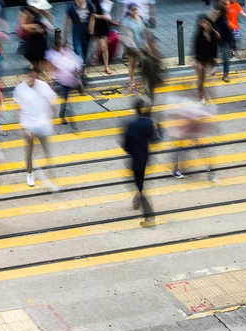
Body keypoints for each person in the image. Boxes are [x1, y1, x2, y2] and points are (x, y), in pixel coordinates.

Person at [13, 69, 59, 188]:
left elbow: (53, 102)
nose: (31, 79)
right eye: (29, 76)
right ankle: (29, 173)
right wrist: (25, 128)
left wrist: (52, 120)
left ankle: (51, 175)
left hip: (43, 125)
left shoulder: (43, 86)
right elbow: (18, 109)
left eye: (33, 76)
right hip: (29, 127)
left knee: (47, 151)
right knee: (29, 152)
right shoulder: (21, 89)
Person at [123, 99, 157, 227]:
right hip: (145, 157)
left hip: (135, 159)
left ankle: (150, 217)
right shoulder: (149, 123)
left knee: (140, 186)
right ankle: (137, 199)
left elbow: (125, 146)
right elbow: (154, 139)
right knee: (140, 182)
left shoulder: (131, 125)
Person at [45, 39, 83, 125]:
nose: (62, 47)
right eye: (60, 45)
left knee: (66, 99)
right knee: (65, 100)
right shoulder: (52, 55)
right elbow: (50, 70)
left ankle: (79, 87)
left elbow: (77, 62)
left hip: (72, 80)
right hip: (62, 82)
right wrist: (51, 83)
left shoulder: (68, 52)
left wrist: (78, 71)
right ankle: (62, 117)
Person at [122, 3, 150, 89]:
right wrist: (136, 49)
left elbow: (144, 30)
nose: (134, 11)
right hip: (131, 47)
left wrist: (147, 44)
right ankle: (132, 82)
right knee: (132, 64)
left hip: (141, 44)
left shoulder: (140, 18)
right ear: (129, 11)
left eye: (136, 9)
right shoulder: (126, 21)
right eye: (132, 10)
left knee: (145, 65)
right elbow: (128, 37)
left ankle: (146, 82)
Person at [64, 0, 95, 76]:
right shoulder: (71, 7)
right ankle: (79, 75)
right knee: (79, 54)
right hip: (76, 34)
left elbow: (92, 16)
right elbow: (67, 23)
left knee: (84, 56)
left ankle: (81, 74)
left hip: (86, 34)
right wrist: (65, 37)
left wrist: (91, 27)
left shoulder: (89, 4)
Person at [194, 15, 220, 105]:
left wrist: (215, 58)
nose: (204, 24)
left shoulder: (212, 35)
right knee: (201, 79)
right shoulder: (199, 36)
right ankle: (202, 96)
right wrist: (195, 61)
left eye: (205, 22)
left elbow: (215, 45)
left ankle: (203, 93)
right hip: (199, 61)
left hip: (208, 60)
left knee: (211, 74)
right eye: (202, 23)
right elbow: (196, 49)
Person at [18, 6, 49, 73]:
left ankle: (44, 72)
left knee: (43, 57)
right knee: (36, 61)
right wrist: (34, 27)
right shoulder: (27, 11)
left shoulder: (41, 9)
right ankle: (37, 72)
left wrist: (44, 27)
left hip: (41, 39)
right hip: (33, 39)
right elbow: (23, 26)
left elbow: (48, 18)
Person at [213, 1, 234, 83]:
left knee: (226, 57)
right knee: (213, 56)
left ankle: (225, 74)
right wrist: (215, 32)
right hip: (215, 38)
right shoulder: (216, 14)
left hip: (223, 39)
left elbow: (228, 30)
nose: (227, 7)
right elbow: (210, 24)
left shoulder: (225, 16)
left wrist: (231, 43)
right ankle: (212, 67)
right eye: (225, 5)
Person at [92, 0, 115, 75]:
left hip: (106, 26)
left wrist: (110, 20)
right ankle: (104, 65)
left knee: (104, 47)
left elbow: (109, 15)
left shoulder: (109, 2)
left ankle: (105, 65)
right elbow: (93, 15)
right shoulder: (94, 2)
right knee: (103, 47)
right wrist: (103, 16)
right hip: (98, 26)